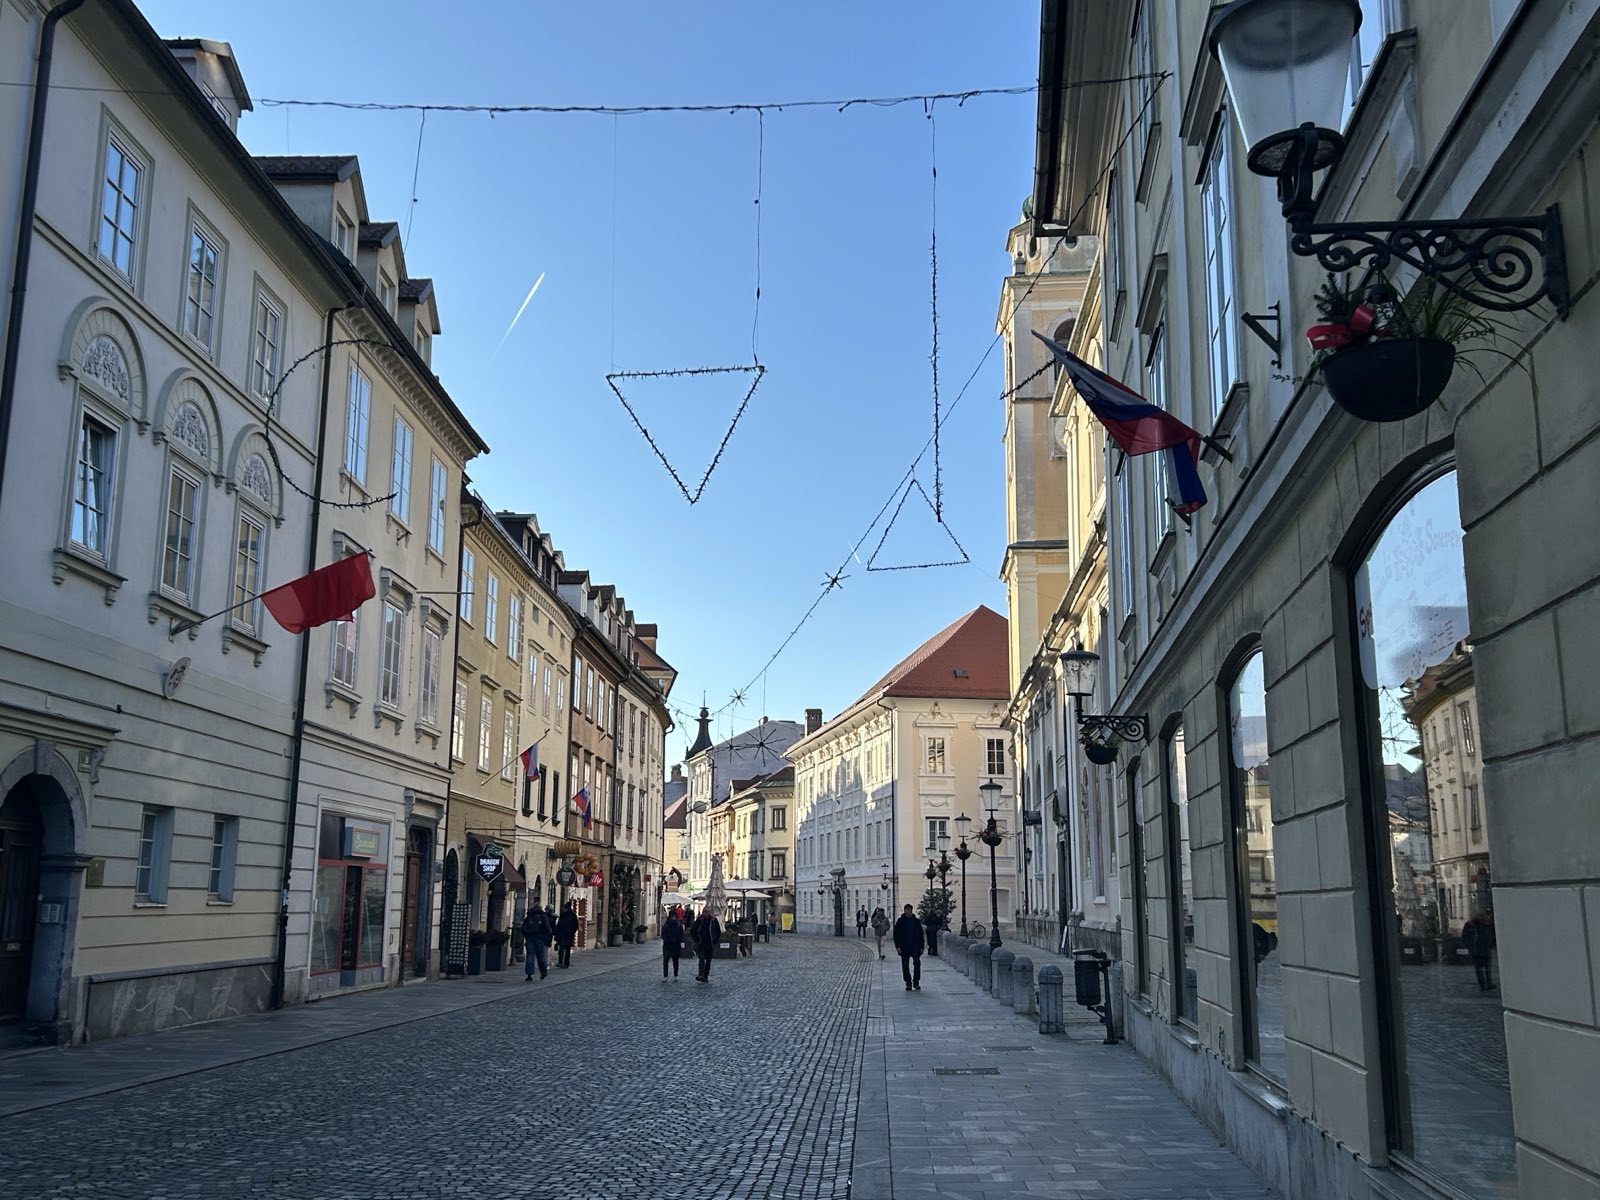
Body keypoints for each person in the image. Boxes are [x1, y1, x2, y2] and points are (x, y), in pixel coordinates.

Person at [893, 903, 925, 991]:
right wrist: (898, 946)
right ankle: (908, 982)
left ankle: (916, 981)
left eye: (910, 909)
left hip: (915, 946)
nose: (908, 911)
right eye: (907, 909)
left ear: (911, 910)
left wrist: (922, 947)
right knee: (905, 965)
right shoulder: (900, 921)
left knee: (917, 963)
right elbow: (896, 935)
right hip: (904, 946)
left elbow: (921, 934)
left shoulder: (916, 921)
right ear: (904, 910)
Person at [1462, 913, 1496, 991]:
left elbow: (1464, 937)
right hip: (1482, 950)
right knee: (1484, 969)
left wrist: (1469, 946)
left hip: (1479, 950)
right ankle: (1487, 984)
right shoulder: (1485, 924)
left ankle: (1484, 985)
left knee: (1481, 969)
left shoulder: (1471, 924)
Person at [521, 903, 553, 981]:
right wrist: (548, 938)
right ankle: (543, 972)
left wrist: (526, 936)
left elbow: (523, 927)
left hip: (530, 938)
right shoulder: (543, 916)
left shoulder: (529, 916)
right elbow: (548, 928)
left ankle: (529, 974)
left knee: (530, 956)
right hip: (540, 939)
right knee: (540, 956)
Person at [691, 908, 722, 983]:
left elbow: (718, 931)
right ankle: (701, 974)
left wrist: (715, 941)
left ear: (709, 913)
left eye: (705, 912)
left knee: (708, 961)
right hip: (701, 943)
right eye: (703, 912)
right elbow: (693, 930)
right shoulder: (700, 920)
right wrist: (697, 940)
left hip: (710, 944)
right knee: (701, 959)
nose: (704, 914)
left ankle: (705, 976)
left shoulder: (713, 920)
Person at [554, 900, 579, 969]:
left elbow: (576, 925)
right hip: (562, 934)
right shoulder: (562, 915)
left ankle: (566, 963)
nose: (562, 909)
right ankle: (560, 962)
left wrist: (571, 932)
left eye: (564, 908)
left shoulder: (572, 915)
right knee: (561, 949)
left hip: (568, 934)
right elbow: (559, 925)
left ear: (566, 908)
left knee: (567, 950)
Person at [661, 910, 685, 979]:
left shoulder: (678, 925)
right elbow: (663, 934)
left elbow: (681, 934)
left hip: (676, 945)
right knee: (666, 960)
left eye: (674, 916)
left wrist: (678, 940)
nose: (673, 918)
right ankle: (665, 975)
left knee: (675, 961)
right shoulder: (666, 925)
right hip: (667, 945)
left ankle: (675, 975)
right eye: (672, 916)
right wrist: (666, 939)